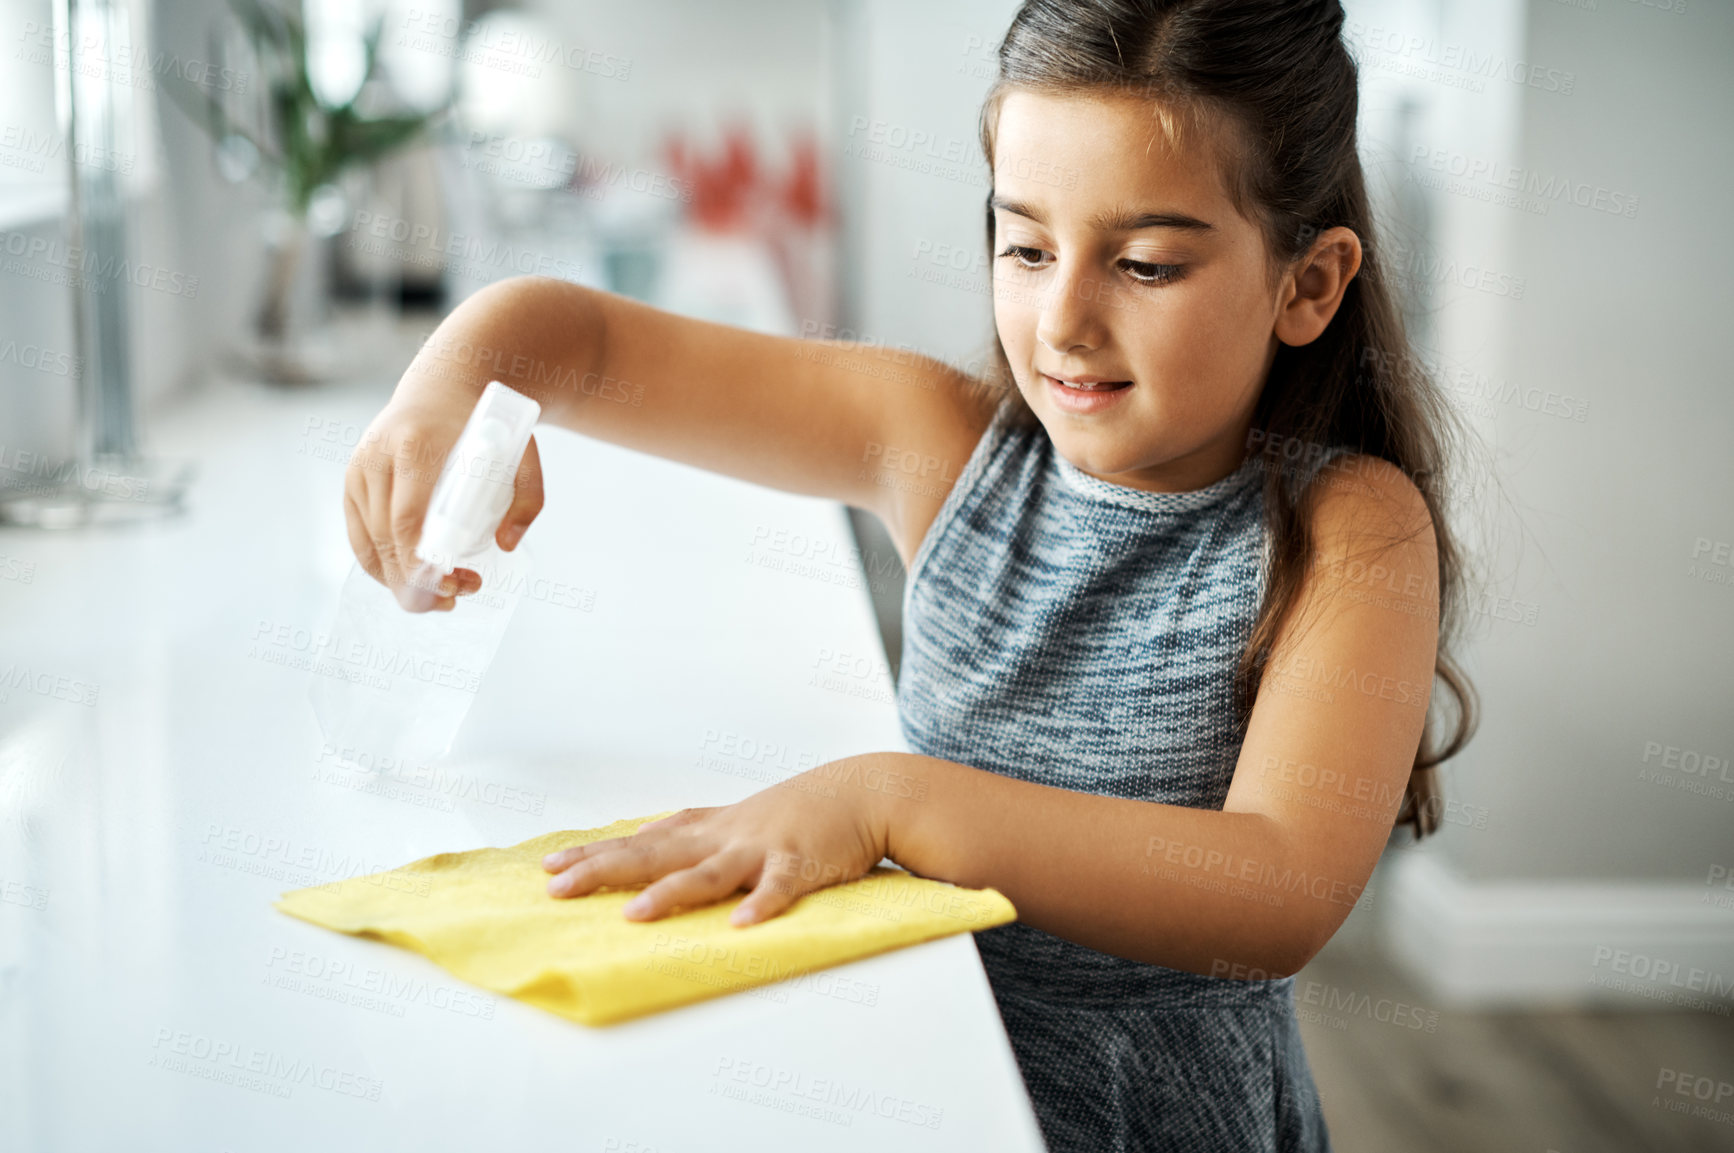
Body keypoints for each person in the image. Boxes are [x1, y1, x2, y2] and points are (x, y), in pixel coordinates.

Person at [343, 1, 1476, 1147]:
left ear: (1310, 285)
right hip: (925, 1074)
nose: (1065, 321)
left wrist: (892, 800)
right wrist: (447, 387)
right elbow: (579, 344)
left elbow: (1274, 895)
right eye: (1026, 247)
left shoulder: (1353, 531)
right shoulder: (938, 442)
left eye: (1143, 264)